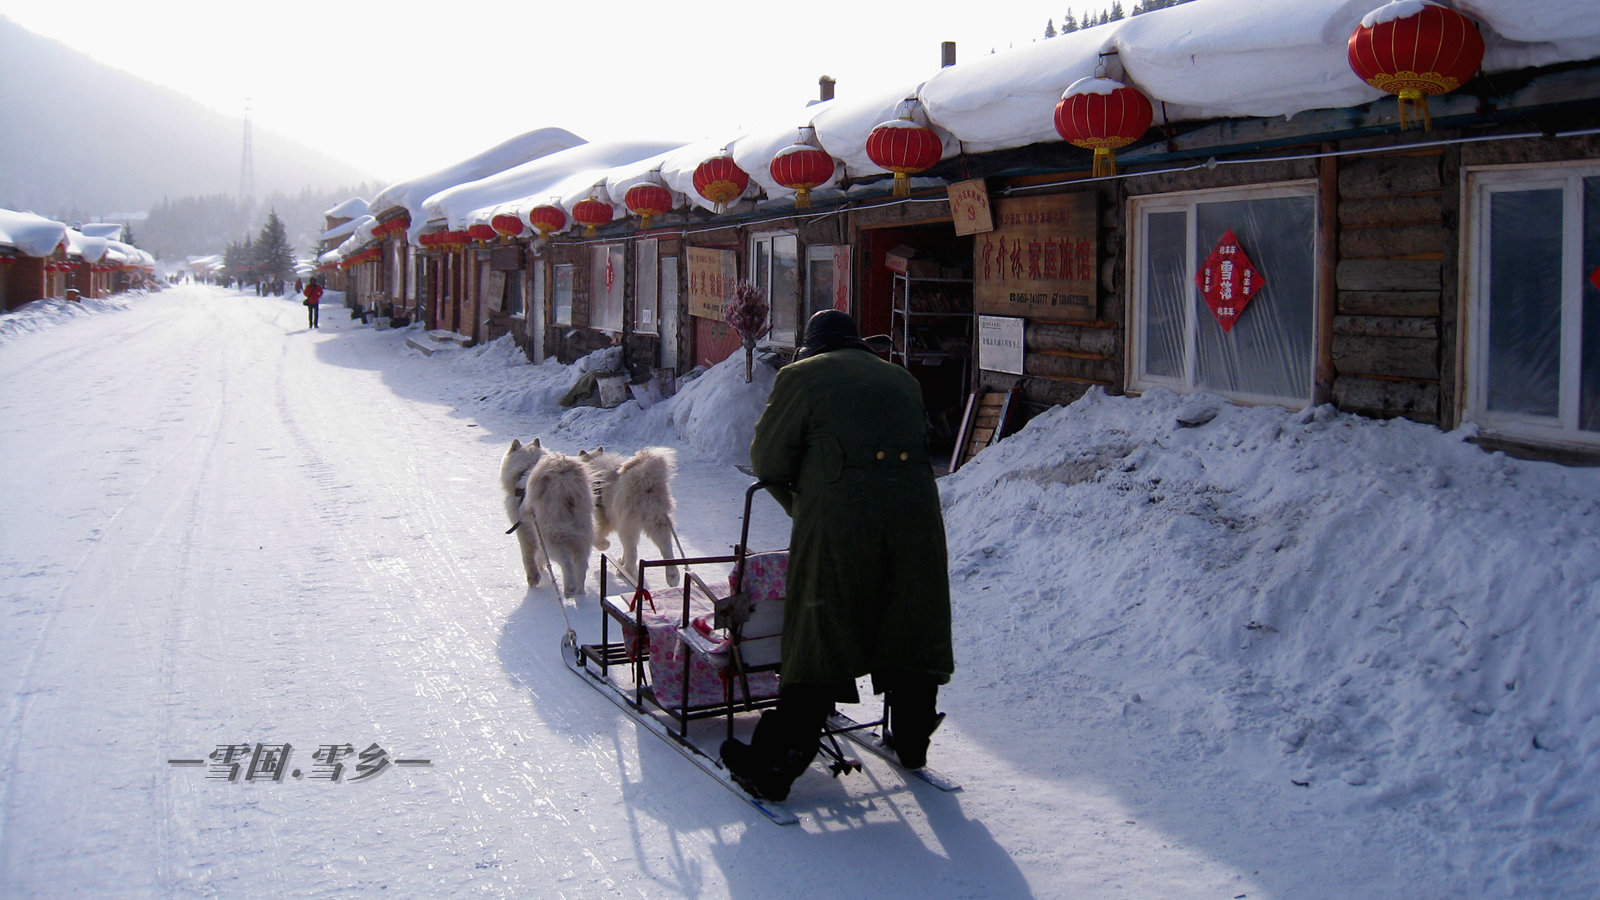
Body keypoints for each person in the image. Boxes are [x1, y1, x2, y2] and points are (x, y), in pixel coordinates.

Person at [720, 309, 954, 801]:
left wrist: (806, 509)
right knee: (909, 621)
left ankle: (774, 766)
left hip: (842, 529)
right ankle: (912, 743)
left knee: (822, 629)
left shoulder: (801, 377)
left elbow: (767, 461)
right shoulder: (903, 380)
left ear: (812, 348)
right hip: (917, 524)